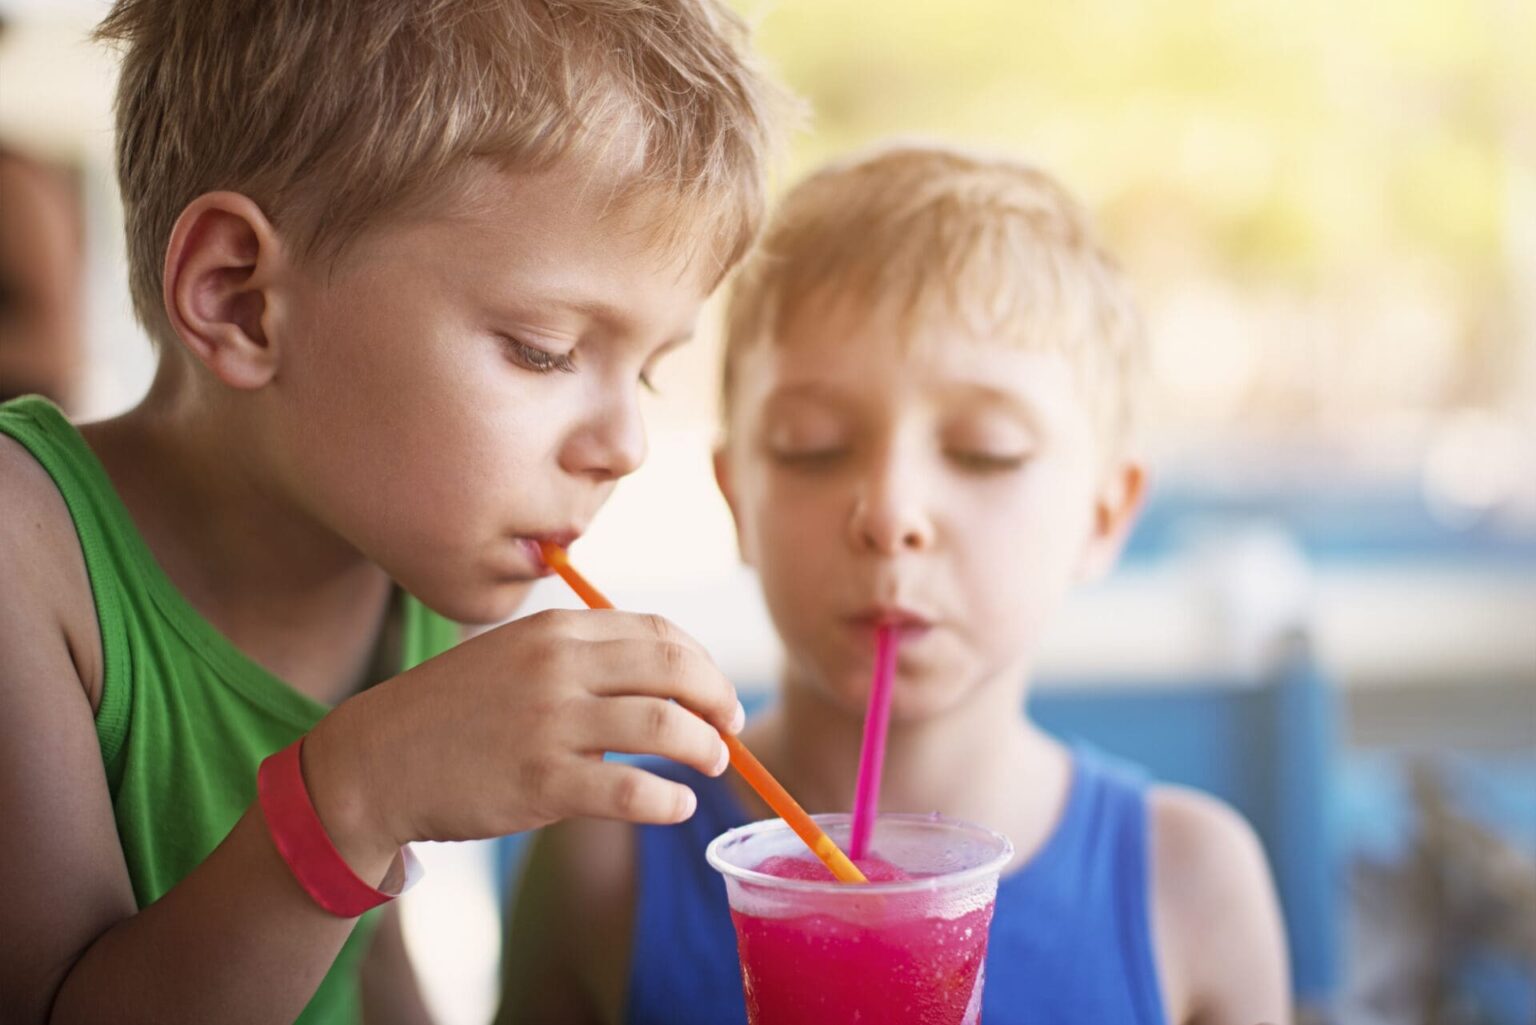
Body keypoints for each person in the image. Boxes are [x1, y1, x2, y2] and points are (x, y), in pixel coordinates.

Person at [0, 2, 786, 1022]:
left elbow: (360, 964)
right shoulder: (26, 558)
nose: (626, 444)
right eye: (545, 348)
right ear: (241, 298)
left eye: (650, 366)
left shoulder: (405, 573)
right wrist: (355, 796)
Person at [501, 143, 1292, 1025]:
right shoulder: (608, 861)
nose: (890, 512)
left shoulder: (1192, 886)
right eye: (813, 445)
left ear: (1105, 515)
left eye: (984, 450)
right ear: (737, 497)